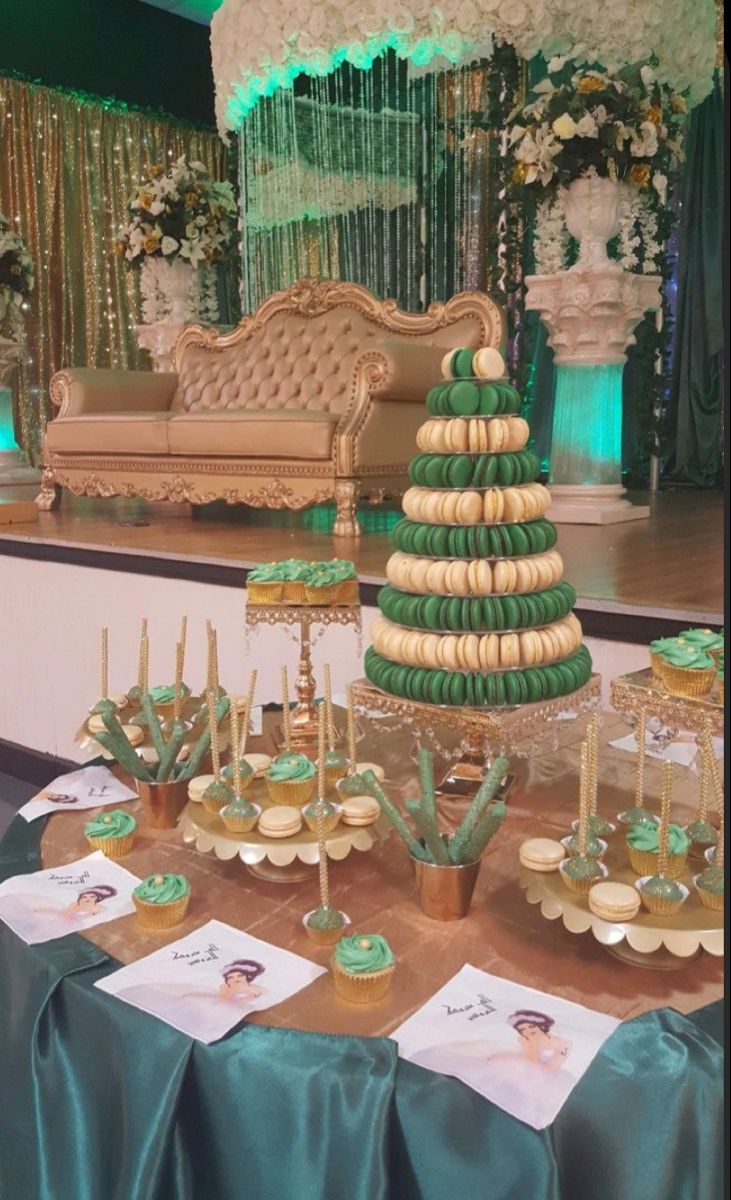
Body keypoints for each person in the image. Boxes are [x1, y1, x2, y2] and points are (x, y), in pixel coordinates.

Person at [409, 1008, 575, 1128]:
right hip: (522, 1063)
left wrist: (528, 1050)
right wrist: (508, 1055)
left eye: (531, 1028)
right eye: (522, 1029)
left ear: (541, 1026)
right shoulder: (525, 1041)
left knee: (507, 1079)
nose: (527, 1032)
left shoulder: (561, 1044)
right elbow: (523, 1055)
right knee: (479, 1059)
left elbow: (545, 1068)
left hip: (541, 1075)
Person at [115, 958, 268, 1042]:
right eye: (231, 976)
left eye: (238, 976)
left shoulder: (256, 989)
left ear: (247, 977)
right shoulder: (223, 989)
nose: (234, 979)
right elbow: (222, 1000)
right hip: (203, 1011)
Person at [0, 883, 118, 942]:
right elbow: (61, 912)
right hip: (60, 921)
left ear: (98, 898)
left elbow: (77, 918)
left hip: (71, 926)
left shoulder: (97, 909)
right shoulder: (74, 904)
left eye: (92, 896)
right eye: (86, 895)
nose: (87, 897)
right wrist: (43, 910)